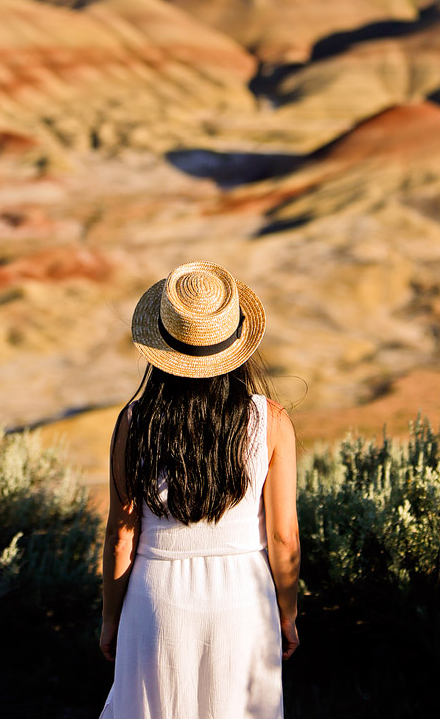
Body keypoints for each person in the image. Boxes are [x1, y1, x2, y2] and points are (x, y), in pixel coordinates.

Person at [98, 259, 300, 719]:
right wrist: (287, 613)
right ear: (236, 344)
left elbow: (120, 536)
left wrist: (111, 619)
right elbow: (284, 537)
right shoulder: (271, 420)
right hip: (245, 599)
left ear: (162, 345)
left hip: (155, 597)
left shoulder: (135, 421)